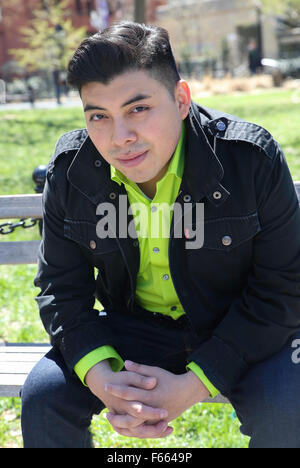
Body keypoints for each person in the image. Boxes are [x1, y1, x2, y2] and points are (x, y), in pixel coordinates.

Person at [21, 21, 300, 448]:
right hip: (133, 329)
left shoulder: (250, 160)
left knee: (290, 408)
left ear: (181, 99)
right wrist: (104, 379)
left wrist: (195, 383)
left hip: (241, 326)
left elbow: (283, 287)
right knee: (43, 397)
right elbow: (60, 288)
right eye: (99, 116)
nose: (120, 138)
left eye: (138, 109)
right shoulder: (72, 172)